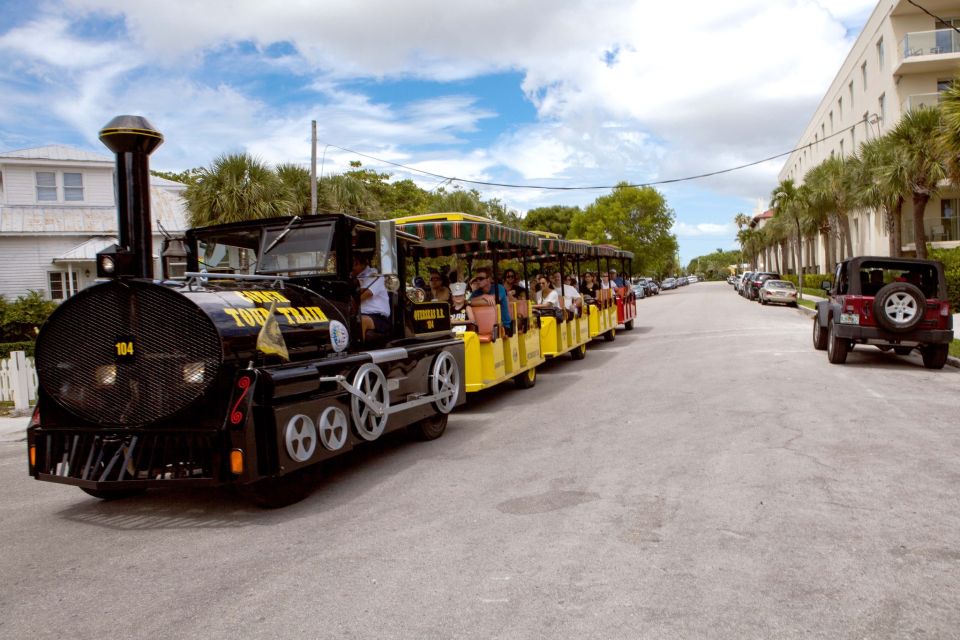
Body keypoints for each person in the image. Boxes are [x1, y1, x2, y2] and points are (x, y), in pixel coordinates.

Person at [352, 253, 391, 338]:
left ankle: (358, 349)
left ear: (357, 263)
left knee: (361, 322)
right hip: (358, 314)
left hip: (377, 316)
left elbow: (366, 293)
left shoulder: (374, 274)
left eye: (353, 265)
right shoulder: (354, 277)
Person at [468, 266, 513, 335]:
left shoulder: (499, 288)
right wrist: (483, 296)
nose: (478, 281)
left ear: (488, 279)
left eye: (481, 279)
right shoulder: (477, 292)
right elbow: (468, 302)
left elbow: (493, 302)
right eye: (477, 279)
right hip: (481, 326)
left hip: (503, 327)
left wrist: (473, 302)